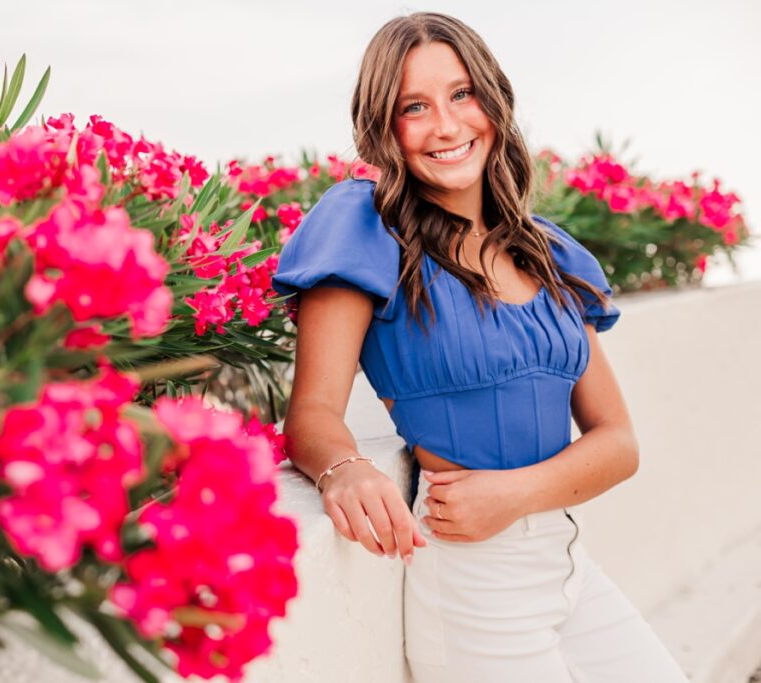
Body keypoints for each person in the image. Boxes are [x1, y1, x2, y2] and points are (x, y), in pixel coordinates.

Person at [271, 11, 690, 683]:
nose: (446, 124)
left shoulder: (548, 252)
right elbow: (313, 412)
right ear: (385, 126)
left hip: (565, 559)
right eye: (415, 106)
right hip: (473, 583)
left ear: (493, 100)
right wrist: (343, 468)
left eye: (462, 93)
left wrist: (517, 494)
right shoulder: (365, 230)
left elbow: (618, 442)